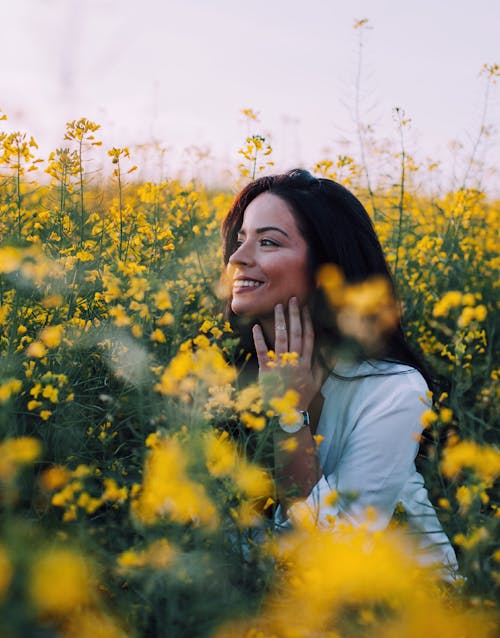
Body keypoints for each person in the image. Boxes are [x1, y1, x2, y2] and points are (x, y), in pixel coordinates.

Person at [221, 168, 458, 575]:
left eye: (267, 242)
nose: (238, 258)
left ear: (326, 268)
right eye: (241, 239)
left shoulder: (394, 390)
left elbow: (332, 557)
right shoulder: (244, 369)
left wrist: (290, 418)